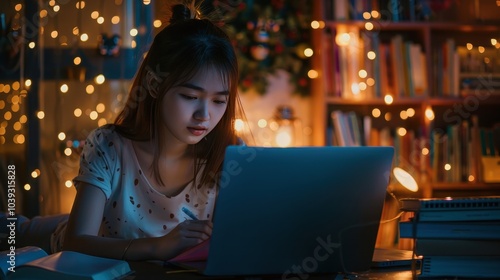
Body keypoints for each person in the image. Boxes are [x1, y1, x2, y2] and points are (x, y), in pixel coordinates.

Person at [59, 2, 244, 261]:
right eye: (191, 96)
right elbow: (74, 244)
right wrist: (157, 247)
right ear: (155, 86)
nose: (204, 115)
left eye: (219, 101)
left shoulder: (230, 155)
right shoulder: (108, 146)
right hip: (75, 252)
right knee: (15, 229)